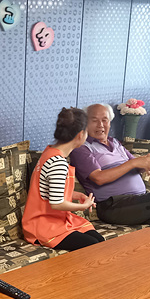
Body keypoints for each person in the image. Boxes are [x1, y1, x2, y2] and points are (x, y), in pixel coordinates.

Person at [70, 103, 150, 237]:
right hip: (114, 206)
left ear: (110, 123)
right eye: (94, 120)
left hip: (139, 202)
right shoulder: (82, 147)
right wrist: (133, 163)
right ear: (85, 123)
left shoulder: (115, 143)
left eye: (104, 120)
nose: (100, 125)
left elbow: (136, 166)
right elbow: (98, 178)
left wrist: (146, 164)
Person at [22, 107, 105, 250]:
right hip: (44, 224)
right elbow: (57, 203)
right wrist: (82, 206)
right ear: (80, 135)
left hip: (55, 220)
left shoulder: (50, 151)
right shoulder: (58, 163)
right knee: (93, 246)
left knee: (99, 240)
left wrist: (77, 195)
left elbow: (51, 191)